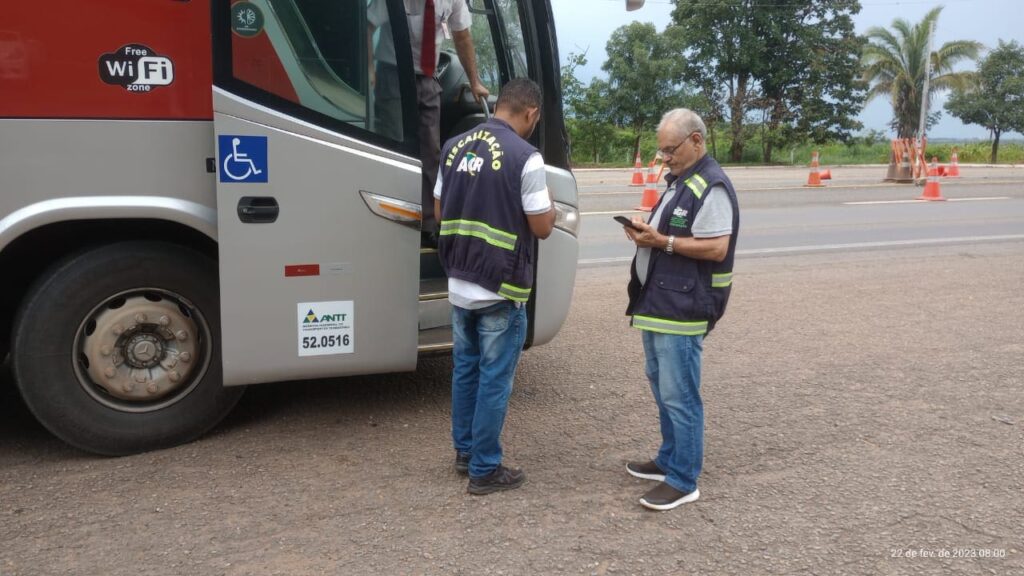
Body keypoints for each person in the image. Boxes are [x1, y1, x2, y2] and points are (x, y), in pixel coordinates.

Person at [433, 78, 554, 495]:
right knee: (494, 379)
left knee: (465, 371)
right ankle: (485, 468)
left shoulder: (453, 146)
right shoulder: (527, 157)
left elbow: (438, 206)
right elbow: (541, 226)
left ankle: (465, 453)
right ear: (531, 113)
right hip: (499, 289)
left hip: (459, 282)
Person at [621, 108, 740, 511]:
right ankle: (669, 458)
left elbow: (716, 247)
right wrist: (645, 234)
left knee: (680, 393)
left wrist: (662, 243)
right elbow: (668, 232)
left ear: (696, 141)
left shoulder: (713, 186)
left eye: (670, 150)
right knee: (661, 384)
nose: (665, 158)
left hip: (684, 305)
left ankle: (683, 478)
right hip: (660, 301)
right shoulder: (680, 182)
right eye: (661, 152)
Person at [367, 0, 490, 245]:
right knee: (396, 147)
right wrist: (369, 67)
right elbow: (368, 26)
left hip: (428, 78)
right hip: (393, 73)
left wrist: (475, 81)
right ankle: (390, 217)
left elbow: (462, 36)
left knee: (431, 152)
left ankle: (429, 224)